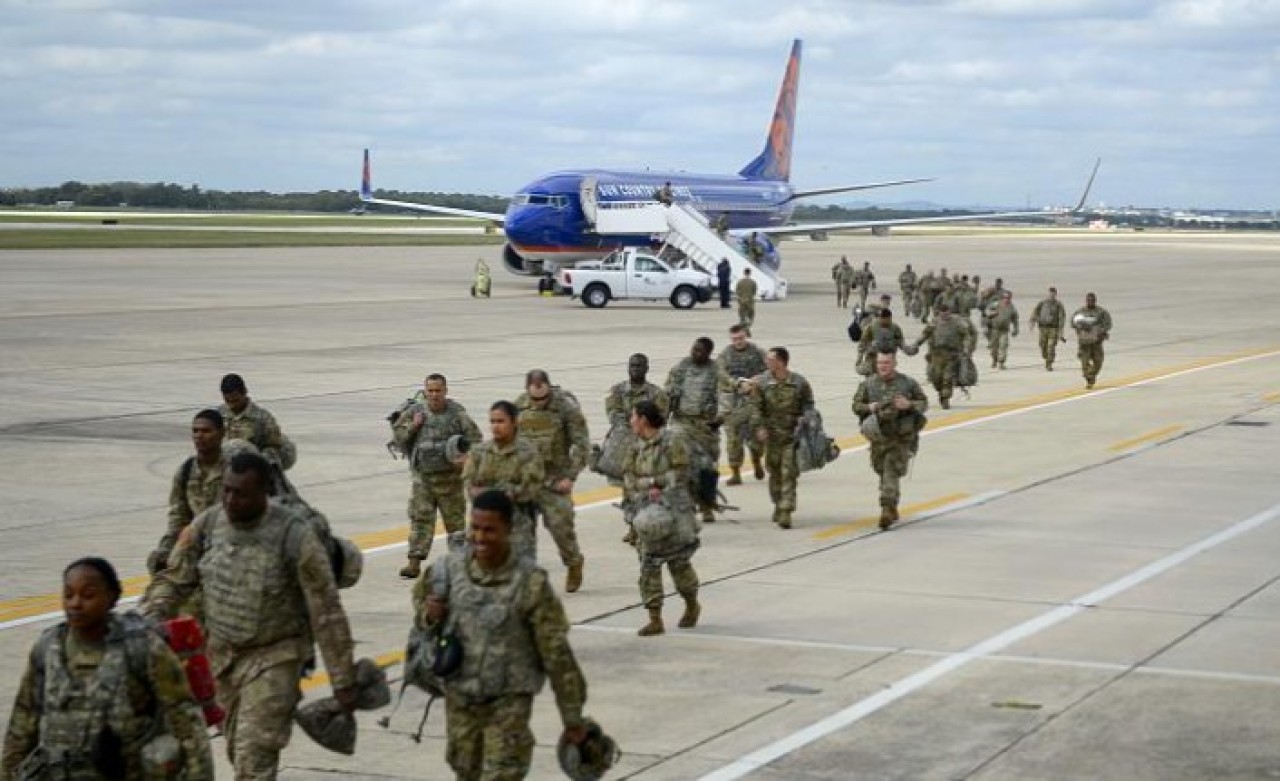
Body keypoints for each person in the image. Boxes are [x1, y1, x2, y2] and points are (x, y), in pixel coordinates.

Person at [142, 452, 357, 780]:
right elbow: (174, 577)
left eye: (240, 493)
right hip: (223, 659)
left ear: (263, 492)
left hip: (276, 659)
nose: (230, 500)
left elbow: (326, 611)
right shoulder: (208, 525)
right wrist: (153, 615)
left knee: (254, 756)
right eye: (226, 490)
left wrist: (343, 680)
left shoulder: (294, 536)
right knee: (237, 749)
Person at [413, 489, 589, 781]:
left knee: (501, 775)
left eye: (489, 530)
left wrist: (572, 717)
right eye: (475, 528)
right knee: (465, 770)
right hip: (462, 699)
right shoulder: (447, 571)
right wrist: (430, 615)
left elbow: (556, 653)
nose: (479, 537)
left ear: (508, 530)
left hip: (509, 702)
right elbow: (422, 615)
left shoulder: (530, 583)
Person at [2, 558, 214, 780]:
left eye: (88, 595)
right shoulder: (47, 649)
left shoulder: (143, 649)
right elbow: (22, 724)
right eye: (68, 595)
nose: (75, 603)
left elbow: (186, 722)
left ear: (112, 597)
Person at [390, 373, 484, 579]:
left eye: (438, 390)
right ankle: (414, 562)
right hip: (423, 480)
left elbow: (476, 439)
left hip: (450, 480)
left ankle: (460, 563)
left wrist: (466, 459)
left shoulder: (457, 413)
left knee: (456, 525)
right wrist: (413, 426)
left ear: (445, 391)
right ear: (425, 392)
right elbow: (397, 438)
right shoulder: (415, 412)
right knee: (420, 519)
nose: (434, 395)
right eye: (430, 391)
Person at [623, 401, 702, 636]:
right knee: (648, 566)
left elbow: (682, 472)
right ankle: (655, 618)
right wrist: (645, 488)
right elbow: (628, 477)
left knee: (679, 564)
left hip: (673, 512)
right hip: (646, 514)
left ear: (644, 420)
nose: (631, 421)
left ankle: (691, 604)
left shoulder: (672, 441)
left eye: (634, 416)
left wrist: (656, 483)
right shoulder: (634, 445)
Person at [516, 370, 589, 593]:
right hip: (526, 480)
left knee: (560, 528)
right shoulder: (518, 407)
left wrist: (570, 476)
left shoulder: (566, 408)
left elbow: (581, 444)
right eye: (535, 399)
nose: (539, 403)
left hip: (555, 480)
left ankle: (573, 562)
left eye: (543, 398)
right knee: (521, 532)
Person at [852, 351, 929, 530]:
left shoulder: (907, 383)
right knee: (883, 471)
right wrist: (868, 407)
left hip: (900, 438)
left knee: (890, 470)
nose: (883, 366)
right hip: (879, 438)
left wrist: (909, 405)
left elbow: (923, 403)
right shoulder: (868, 384)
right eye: (880, 363)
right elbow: (856, 406)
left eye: (886, 363)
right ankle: (892, 505)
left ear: (894, 364)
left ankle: (886, 508)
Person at [463, 401, 544, 564]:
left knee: (520, 570)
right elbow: (469, 483)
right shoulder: (479, 452)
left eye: (501, 421)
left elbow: (531, 489)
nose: (495, 426)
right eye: (492, 421)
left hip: (517, 523)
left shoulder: (528, 453)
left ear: (514, 422)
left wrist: (496, 494)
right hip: (483, 523)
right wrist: (479, 493)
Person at [147, 408, 226, 574]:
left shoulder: (236, 471)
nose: (199, 436)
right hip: (196, 543)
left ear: (221, 434)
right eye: (195, 431)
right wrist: (166, 550)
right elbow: (178, 517)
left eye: (206, 431)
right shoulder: (186, 471)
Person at [748, 347, 815, 530]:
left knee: (789, 472)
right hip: (771, 436)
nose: (767, 362)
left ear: (781, 362)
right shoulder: (762, 383)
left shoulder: (799, 383)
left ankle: (786, 510)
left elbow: (809, 405)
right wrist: (759, 427)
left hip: (792, 436)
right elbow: (755, 407)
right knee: (775, 472)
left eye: (770, 359)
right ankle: (778, 503)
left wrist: (805, 418)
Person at [666, 337, 731, 523]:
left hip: (705, 426)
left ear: (708, 353)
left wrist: (721, 417)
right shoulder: (681, 368)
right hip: (682, 422)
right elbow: (668, 392)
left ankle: (706, 504)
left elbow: (726, 394)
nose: (695, 353)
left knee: (706, 467)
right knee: (680, 464)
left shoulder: (716, 371)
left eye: (700, 351)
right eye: (694, 349)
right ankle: (684, 505)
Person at [716, 325, 767, 485]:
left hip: (753, 402)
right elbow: (720, 374)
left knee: (756, 438)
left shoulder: (757, 352)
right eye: (735, 339)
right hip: (732, 403)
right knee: (733, 440)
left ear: (746, 336)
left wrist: (757, 380)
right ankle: (735, 473)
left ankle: (756, 461)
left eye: (741, 338)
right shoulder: (725, 355)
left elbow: (770, 369)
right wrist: (737, 383)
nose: (738, 342)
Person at [218, 373, 296, 471]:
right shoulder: (219, 415)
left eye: (236, 400)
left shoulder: (262, 418)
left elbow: (274, 447)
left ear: (244, 392)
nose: (232, 405)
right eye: (228, 401)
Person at [910, 304, 976, 410]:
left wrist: (966, 349)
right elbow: (925, 334)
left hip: (951, 355)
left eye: (946, 312)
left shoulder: (957, 322)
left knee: (947, 377)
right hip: (936, 356)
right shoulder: (934, 322)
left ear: (949, 312)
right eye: (942, 312)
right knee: (936, 378)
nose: (944, 314)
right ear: (939, 312)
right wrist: (916, 344)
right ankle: (941, 392)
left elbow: (966, 336)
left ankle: (946, 397)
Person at [1072, 292, 1113, 389]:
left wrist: (1100, 331)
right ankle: (1090, 379)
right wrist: (1080, 327)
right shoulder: (1080, 312)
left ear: (1095, 301)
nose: (1090, 302)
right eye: (1088, 300)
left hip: (1096, 342)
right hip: (1084, 342)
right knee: (1084, 362)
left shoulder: (1101, 312)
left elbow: (1108, 324)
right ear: (1086, 301)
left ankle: (1091, 374)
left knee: (1098, 362)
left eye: (1092, 300)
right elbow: (1073, 322)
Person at [857, 308, 907, 376]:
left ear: (890, 318)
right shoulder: (871, 327)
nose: (885, 321)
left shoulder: (895, 328)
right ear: (880, 318)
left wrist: (906, 348)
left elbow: (900, 341)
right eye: (883, 318)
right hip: (873, 357)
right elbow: (863, 342)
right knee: (871, 376)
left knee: (886, 375)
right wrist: (860, 357)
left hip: (888, 357)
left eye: (887, 319)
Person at [1030, 286, 1068, 371]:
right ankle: (1047, 357)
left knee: (1051, 346)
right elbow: (1035, 312)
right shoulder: (1042, 303)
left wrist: (1060, 331)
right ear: (1048, 294)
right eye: (1050, 293)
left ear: (1055, 294)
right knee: (1042, 346)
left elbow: (1061, 317)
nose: (1052, 295)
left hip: (1053, 329)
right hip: (1043, 328)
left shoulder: (1058, 305)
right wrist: (1032, 322)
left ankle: (1049, 364)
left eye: (1053, 293)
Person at [986, 291, 1020, 370]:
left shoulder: (1012, 307)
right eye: (1005, 297)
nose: (1006, 299)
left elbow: (1015, 319)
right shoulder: (996, 304)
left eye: (1008, 298)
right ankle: (994, 359)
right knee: (993, 347)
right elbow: (987, 310)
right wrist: (992, 313)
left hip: (1004, 330)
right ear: (1002, 298)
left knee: (1003, 346)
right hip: (995, 330)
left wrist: (1015, 329)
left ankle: (1001, 362)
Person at [735, 268, 758, 336]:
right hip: (750, 301)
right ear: (750, 273)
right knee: (751, 316)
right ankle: (746, 328)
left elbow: (737, 291)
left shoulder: (740, 282)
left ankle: (742, 328)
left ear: (744, 273)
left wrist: (740, 298)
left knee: (742, 317)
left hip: (742, 301)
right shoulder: (753, 282)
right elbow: (754, 291)